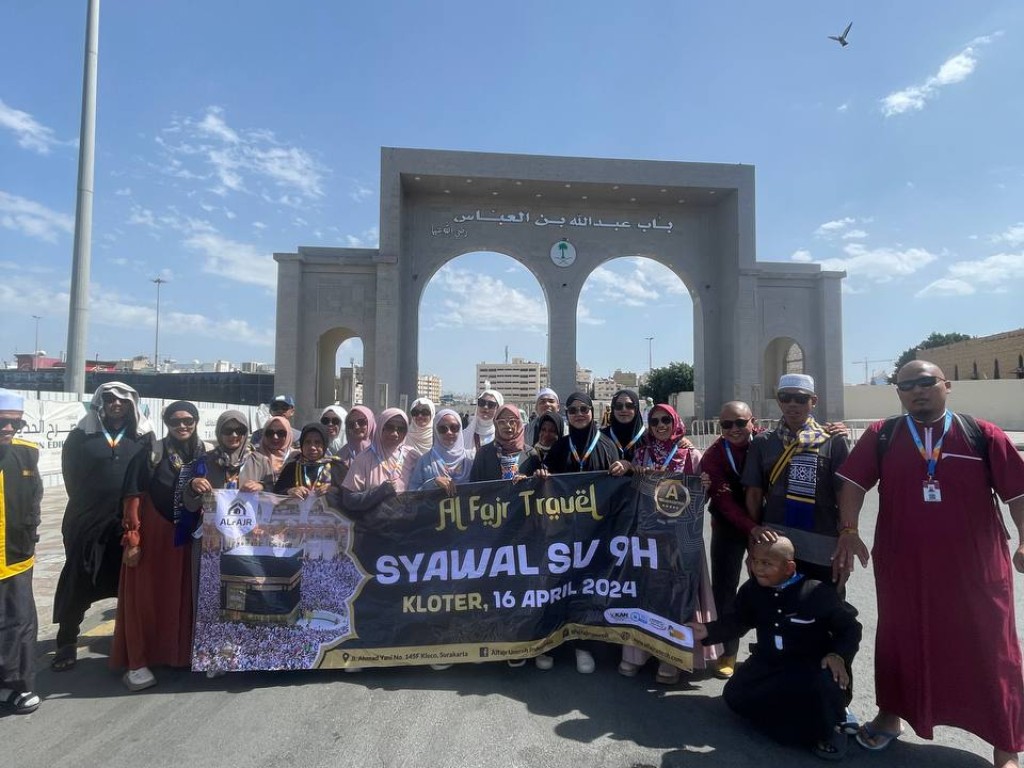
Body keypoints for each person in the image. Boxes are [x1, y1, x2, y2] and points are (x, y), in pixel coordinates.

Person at [833, 360, 1024, 767]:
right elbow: (851, 482)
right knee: (900, 641)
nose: (917, 391)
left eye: (925, 382)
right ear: (898, 393)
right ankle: (889, 719)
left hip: (977, 572)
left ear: (946, 386)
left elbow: (1018, 494)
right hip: (904, 567)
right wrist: (849, 529)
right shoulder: (882, 435)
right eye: (906, 386)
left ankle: (1006, 747)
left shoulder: (981, 434)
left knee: (993, 652)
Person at [689, 537, 862, 761]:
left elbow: (850, 628)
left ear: (789, 568)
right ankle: (798, 723)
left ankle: (833, 728)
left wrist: (838, 655)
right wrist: (707, 631)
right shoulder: (752, 590)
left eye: (767, 564)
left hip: (810, 668)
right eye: (755, 561)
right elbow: (738, 621)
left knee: (827, 686)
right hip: (770, 663)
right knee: (734, 695)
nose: (758, 569)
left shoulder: (816, 592)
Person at [52, 382, 153, 672]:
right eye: (109, 399)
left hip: (126, 524)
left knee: (128, 582)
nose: (116, 404)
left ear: (132, 404)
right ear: (101, 403)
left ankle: (128, 642)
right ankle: (67, 640)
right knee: (79, 578)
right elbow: (71, 478)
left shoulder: (142, 438)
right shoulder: (81, 437)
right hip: (86, 522)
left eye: (122, 400)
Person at [111, 401, 206, 691]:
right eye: (175, 421)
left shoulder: (201, 452)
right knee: (146, 599)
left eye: (188, 420)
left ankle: (177, 654)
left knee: (182, 596)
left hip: (187, 537)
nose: (182, 426)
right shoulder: (151, 453)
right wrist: (132, 538)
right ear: (166, 422)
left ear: (196, 421)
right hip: (154, 535)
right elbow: (133, 497)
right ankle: (138, 662)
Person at [618, 403, 709, 685]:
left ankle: (673, 657)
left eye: (665, 421)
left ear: (675, 422)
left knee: (679, 596)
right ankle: (639, 654)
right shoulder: (642, 453)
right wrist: (630, 468)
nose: (660, 426)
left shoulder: (690, 454)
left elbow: (700, 497)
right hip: (648, 538)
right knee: (646, 593)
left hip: (681, 539)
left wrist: (703, 484)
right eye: (655, 421)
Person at [539, 391, 619, 674]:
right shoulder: (560, 447)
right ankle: (550, 644)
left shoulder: (608, 446)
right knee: (556, 588)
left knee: (585, 588)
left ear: (592, 412)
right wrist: (542, 477)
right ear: (567, 415)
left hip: (594, 534)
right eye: (572, 410)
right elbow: (543, 482)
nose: (579, 414)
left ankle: (583, 646)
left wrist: (626, 468)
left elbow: (622, 487)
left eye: (584, 409)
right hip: (560, 533)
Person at [743, 374, 850, 586]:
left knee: (823, 609)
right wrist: (752, 543)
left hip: (821, 544)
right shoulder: (763, 442)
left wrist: (847, 536)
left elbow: (844, 494)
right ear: (779, 400)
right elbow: (754, 494)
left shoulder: (833, 441)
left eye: (800, 398)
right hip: (774, 544)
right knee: (774, 609)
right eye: (785, 397)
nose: (792, 404)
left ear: (813, 401)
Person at [700, 401, 761, 680]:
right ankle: (728, 651)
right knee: (724, 589)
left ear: (753, 421)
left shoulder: (767, 443)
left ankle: (771, 651)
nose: (734, 429)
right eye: (727, 425)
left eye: (740, 423)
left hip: (768, 522)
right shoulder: (713, 456)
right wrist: (751, 530)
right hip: (729, 525)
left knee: (773, 587)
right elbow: (724, 503)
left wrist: (832, 431)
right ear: (719, 427)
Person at [0, 389, 43, 714]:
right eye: (4, 422)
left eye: (16, 423)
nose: (10, 429)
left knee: (19, 623)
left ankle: (19, 686)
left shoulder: (27, 453)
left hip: (17, 557)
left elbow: (35, 496)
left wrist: (32, 530)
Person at [342, 408, 419, 511]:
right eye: (389, 428)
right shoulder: (364, 458)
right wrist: (378, 493)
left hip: (407, 523)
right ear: (380, 426)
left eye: (400, 429)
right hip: (375, 523)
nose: (395, 434)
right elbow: (349, 500)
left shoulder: (413, 456)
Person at [275, 423, 346, 505]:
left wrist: (333, 490)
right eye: (308, 442)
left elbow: (349, 494)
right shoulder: (291, 468)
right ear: (302, 444)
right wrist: (289, 491)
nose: (312, 447)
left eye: (317, 442)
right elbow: (276, 493)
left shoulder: (337, 467)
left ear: (325, 444)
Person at [409, 409, 474, 494]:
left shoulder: (471, 458)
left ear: (460, 428)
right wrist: (433, 483)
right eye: (443, 429)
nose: (449, 432)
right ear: (436, 431)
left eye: (454, 428)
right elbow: (412, 493)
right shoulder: (425, 461)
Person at [469, 404, 525, 482]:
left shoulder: (530, 454)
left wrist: (528, 480)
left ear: (519, 423)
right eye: (502, 422)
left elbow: (539, 486)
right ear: (496, 424)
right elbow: (474, 486)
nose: (507, 425)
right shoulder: (484, 453)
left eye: (512, 421)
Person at [602, 389, 645, 462]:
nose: (624, 410)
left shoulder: (648, 437)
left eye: (629, 406)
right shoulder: (602, 436)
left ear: (636, 408)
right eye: (618, 406)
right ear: (613, 408)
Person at [519, 411, 565, 477]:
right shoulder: (530, 454)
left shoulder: (565, 455)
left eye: (552, 431)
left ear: (559, 433)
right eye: (543, 429)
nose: (546, 434)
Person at [255, 415, 294, 484]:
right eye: (270, 433)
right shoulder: (254, 457)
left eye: (281, 433)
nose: (275, 437)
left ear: (288, 435)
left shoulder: (296, 457)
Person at [336, 406, 376, 470]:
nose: (356, 427)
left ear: (370, 423)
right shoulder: (341, 455)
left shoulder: (381, 452)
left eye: (361, 422)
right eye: (351, 424)